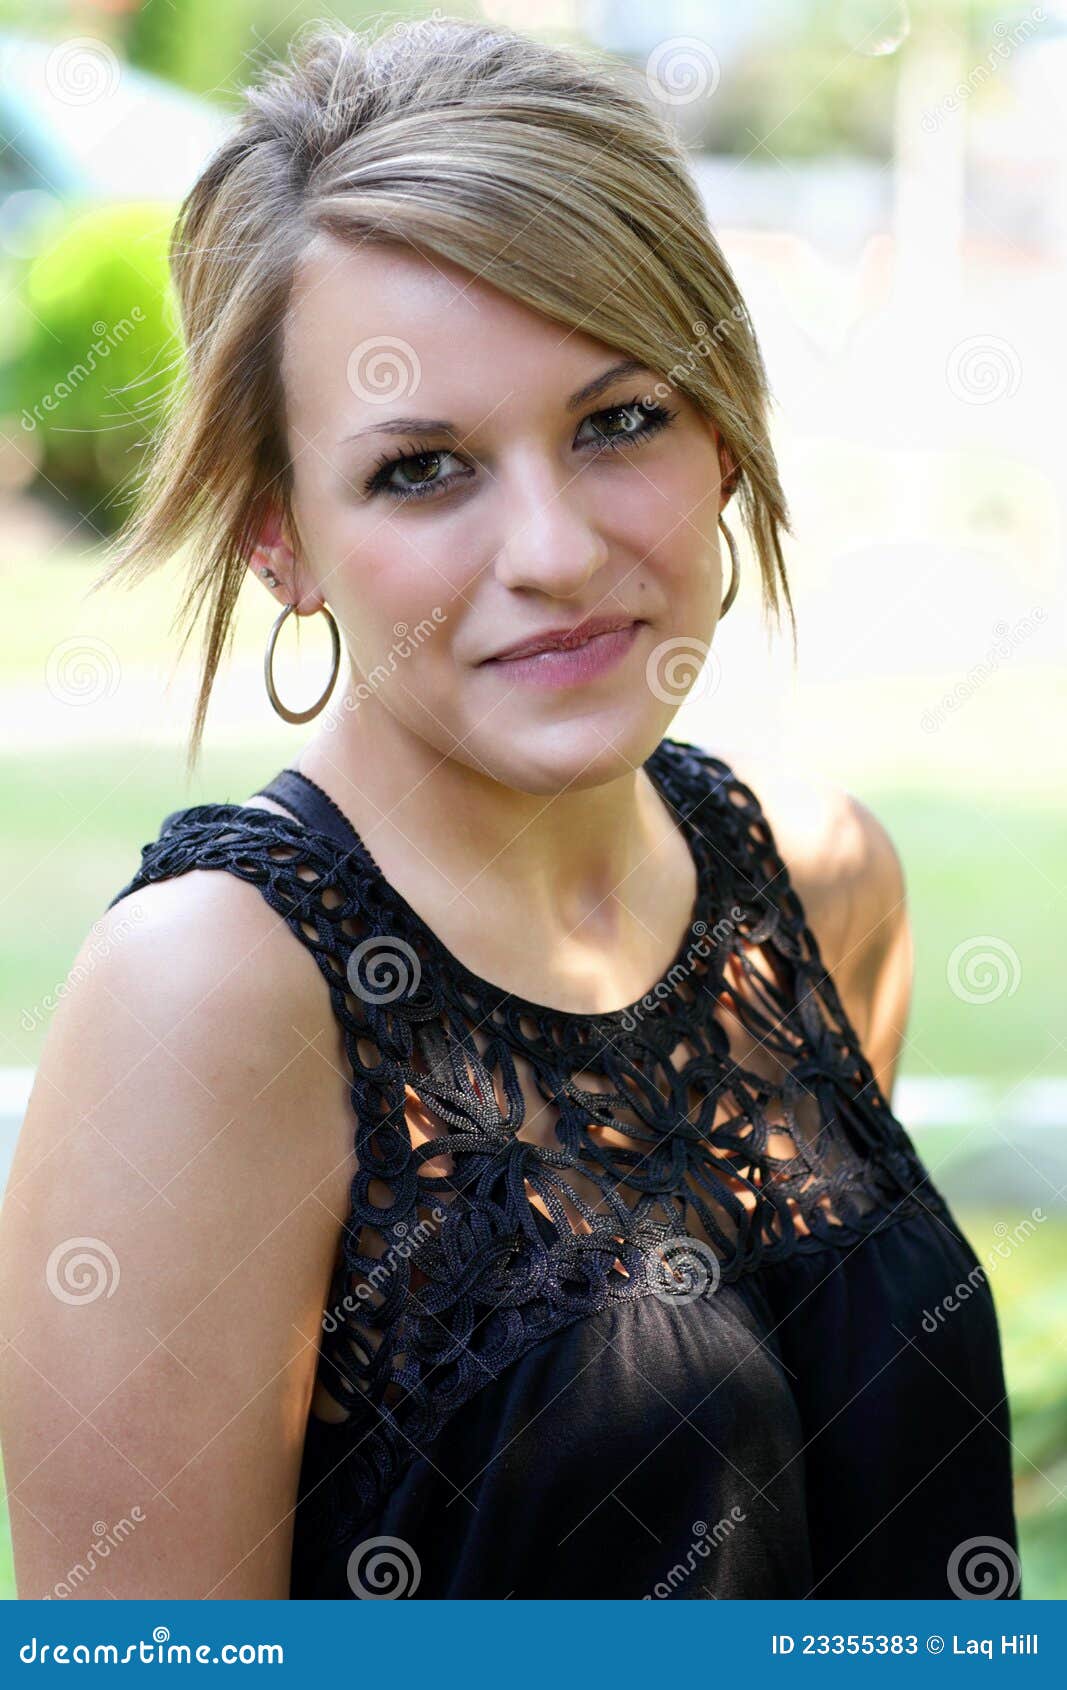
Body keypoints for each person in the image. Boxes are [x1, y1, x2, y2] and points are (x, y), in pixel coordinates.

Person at [0, 16, 1019, 1601]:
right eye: (423, 468)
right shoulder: (210, 996)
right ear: (277, 535)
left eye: (619, 419)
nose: (552, 550)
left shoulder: (817, 885)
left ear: (723, 432)